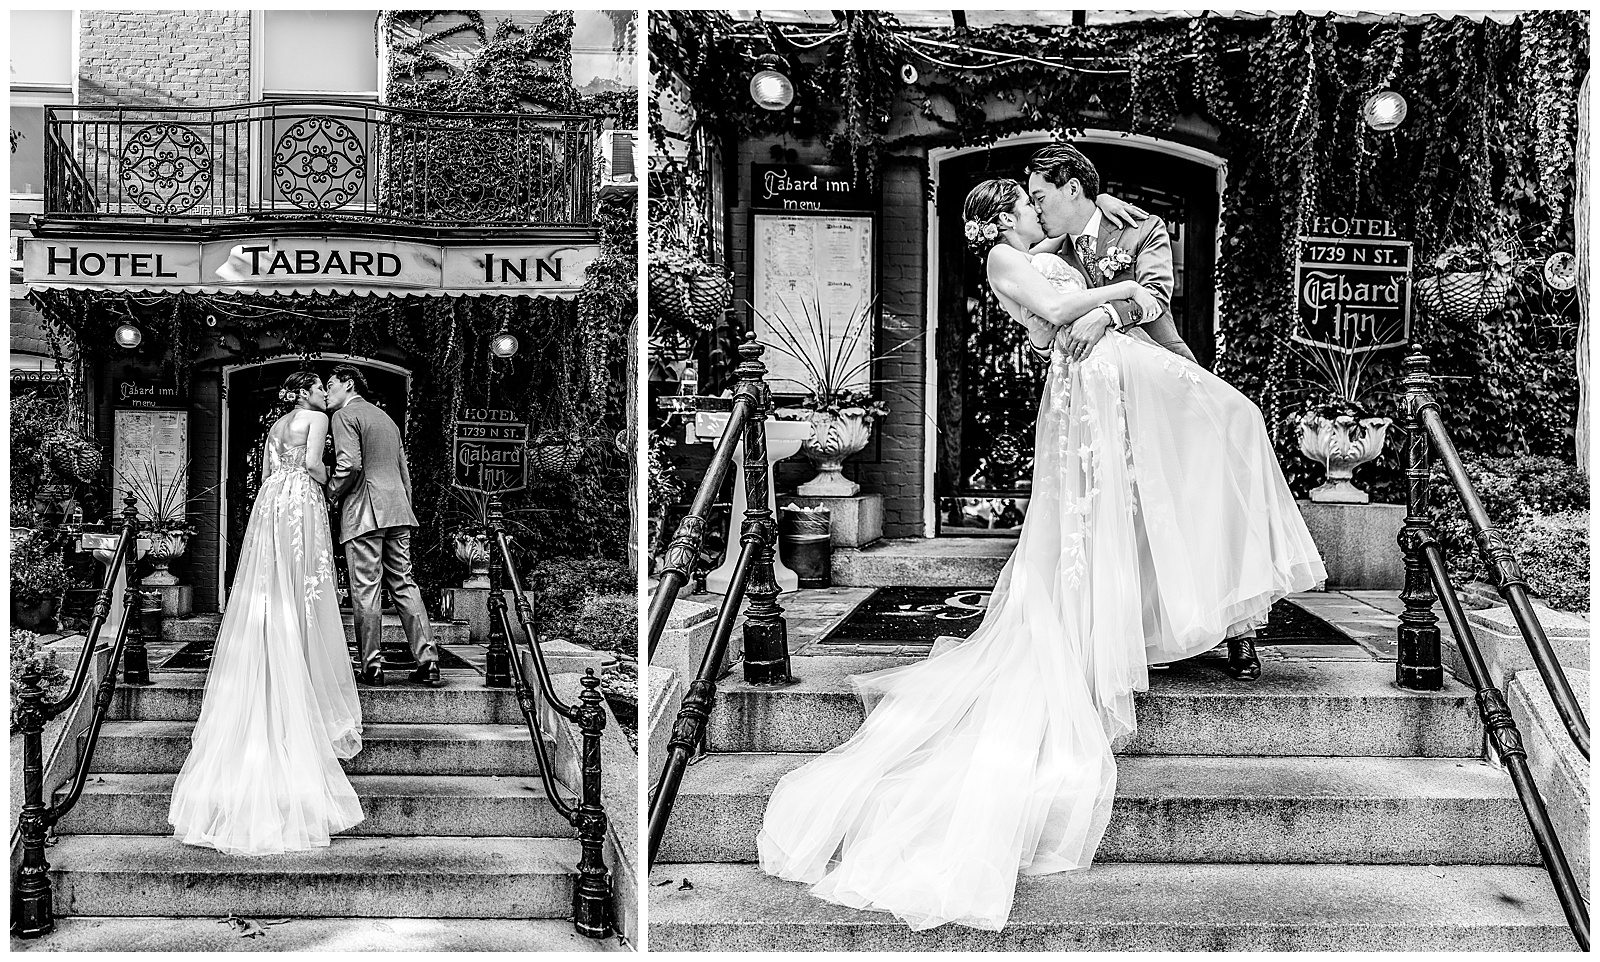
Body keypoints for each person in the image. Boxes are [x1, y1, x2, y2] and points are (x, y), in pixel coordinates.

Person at [755, 174, 1326, 932]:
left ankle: (1198, 593)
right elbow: (1057, 309)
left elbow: (1076, 249)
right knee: (1197, 444)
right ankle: (1114, 624)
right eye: (1024, 202)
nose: (1035, 209)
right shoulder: (1002, 260)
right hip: (1091, 375)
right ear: (999, 218)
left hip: (1106, 375)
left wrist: (1112, 218)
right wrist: (1119, 296)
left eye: (1038, 196)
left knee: (1222, 428)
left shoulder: (1034, 247)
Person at [168, 372, 365, 856]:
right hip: (300, 502)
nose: (324, 394)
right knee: (304, 591)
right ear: (304, 392)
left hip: (272, 501)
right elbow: (318, 468)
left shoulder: (277, 425)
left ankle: (276, 646)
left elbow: (266, 474)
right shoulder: (316, 418)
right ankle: (297, 662)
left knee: (271, 585)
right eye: (319, 387)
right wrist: (325, 479)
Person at [325, 365, 439, 688]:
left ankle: (372, 666)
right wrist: (404, 508)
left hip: (364, 512)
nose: (328, 392)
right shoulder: (387, 420)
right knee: (404, 583)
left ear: (349, 384)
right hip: (398, 511)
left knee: (366, 589)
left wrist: (330, 493)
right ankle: (428, 660)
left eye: (331, 385)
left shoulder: (344, 417)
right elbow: (406, 476)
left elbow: (350, 466)